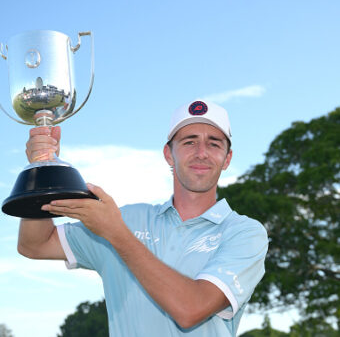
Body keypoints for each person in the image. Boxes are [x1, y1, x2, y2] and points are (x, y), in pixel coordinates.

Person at [19, 99, 268, 336]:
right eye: (189, 142)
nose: (201, 152)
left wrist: (116, 234)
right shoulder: (126, 219)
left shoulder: (244, 232)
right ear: (169, 154)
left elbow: (191, 309)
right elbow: (35, 244)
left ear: (227, 159)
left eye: (214, 143)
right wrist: (42, 169)